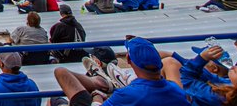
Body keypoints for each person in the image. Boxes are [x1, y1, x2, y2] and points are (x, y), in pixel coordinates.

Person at [53, 36, 188, 106]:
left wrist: (97, 97)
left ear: (128, 59)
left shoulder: (126, 95)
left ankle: (99, 81)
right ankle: (100, 80)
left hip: (119, 93)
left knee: (60, 74)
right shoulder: (177, 91)